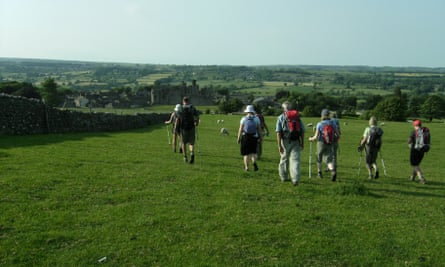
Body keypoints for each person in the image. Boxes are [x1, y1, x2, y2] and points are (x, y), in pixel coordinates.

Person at [275, 101, 305, 186]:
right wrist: (302, 143)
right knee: (295, 160)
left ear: (283, 108)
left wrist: (279, 145)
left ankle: (284, 177)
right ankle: (295, 179)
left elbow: (278, 132)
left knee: (284, 159)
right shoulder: (297, 117)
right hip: (296, 141)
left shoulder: (281, 117)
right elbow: (302, 131)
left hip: (285, 141)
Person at [308, 109, 339, 181]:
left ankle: (319, 173)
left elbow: (316, 136)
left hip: (321, 142)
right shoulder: (333, 123)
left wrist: (310, 139)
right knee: (329, 160)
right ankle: (332, 171)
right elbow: (337, 134)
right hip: (330, 143)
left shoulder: (319, 124)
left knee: (318, 157)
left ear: (322, 115)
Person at [237, 105, 262, 171]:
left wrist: (238, 138)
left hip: (245, 137)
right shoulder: (256, 119)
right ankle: (254, 162)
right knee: (253, 152)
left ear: (247, 111)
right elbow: (259, 129)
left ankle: (247, 167)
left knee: (246, 154)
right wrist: (261, 137)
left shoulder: (243, 119)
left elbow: (240, 129)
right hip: (254, 137)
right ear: (253, 111)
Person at [176, 96, 199, 164]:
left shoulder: (180, 108)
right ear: (188, 101)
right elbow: (197, 116)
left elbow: (178, 119)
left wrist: (176, 128)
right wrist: (196, 123)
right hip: (191, 127)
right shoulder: (192, 108)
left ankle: (185, 157)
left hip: (183, 128)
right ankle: (192, 153)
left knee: (183, 143)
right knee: (191, 143)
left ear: (183, 101)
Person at [408, 120, 429, 184]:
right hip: (422, 150)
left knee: (415, 165)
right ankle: (413, 177)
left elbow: (409, 140)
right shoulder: (425, 132)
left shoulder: (414, 132)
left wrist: (409, 145)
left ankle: (421, 178)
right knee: (417, 164)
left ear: (415, 125)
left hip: (415, 150)